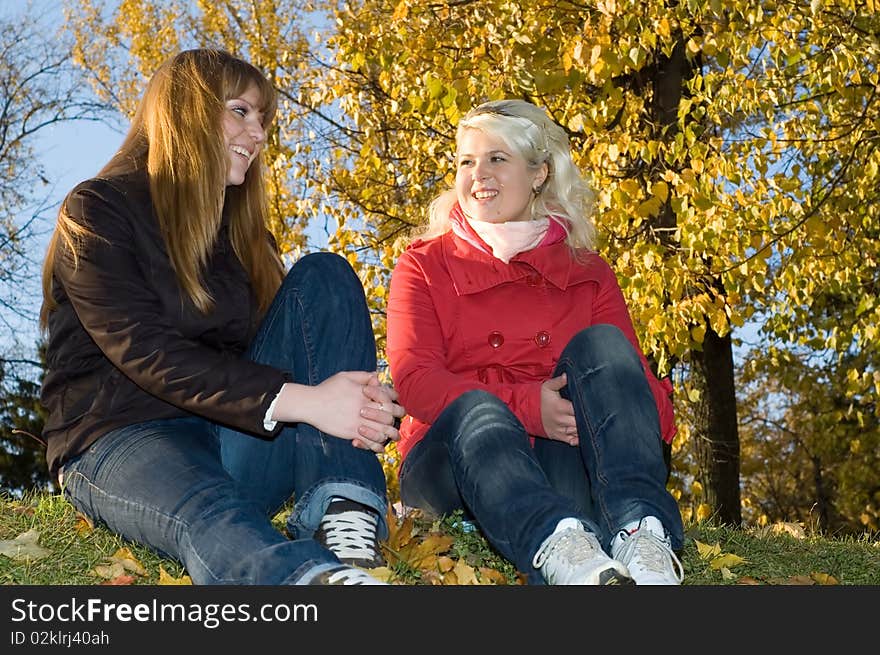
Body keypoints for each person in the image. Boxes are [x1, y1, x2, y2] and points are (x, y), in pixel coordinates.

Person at [39, 48, 406, 586]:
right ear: (187, 112)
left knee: (324, 276)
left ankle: (345, 512)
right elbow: (145, 351)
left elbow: (290, 354)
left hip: (234, 437)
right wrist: (309, 401)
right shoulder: (97, 210)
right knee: (210, 510)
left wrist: (363, 406)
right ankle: (313, 586)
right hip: (119, 434)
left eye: (263, 120)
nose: (258, 134)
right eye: (241, 111)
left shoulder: (246, 244)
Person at [386, 99, 685, 585]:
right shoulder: (424, 264)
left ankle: (640, 535)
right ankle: (557, 541)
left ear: (540, 173)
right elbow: (415, 381)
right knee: (477, 410)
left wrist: (627, 411)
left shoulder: (589, 271)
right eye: (466, 161)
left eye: (496, 159)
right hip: (455, 459)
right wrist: (527, 405)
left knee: (605, 345)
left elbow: (628, 377)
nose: (478, 174)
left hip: (563, 453)